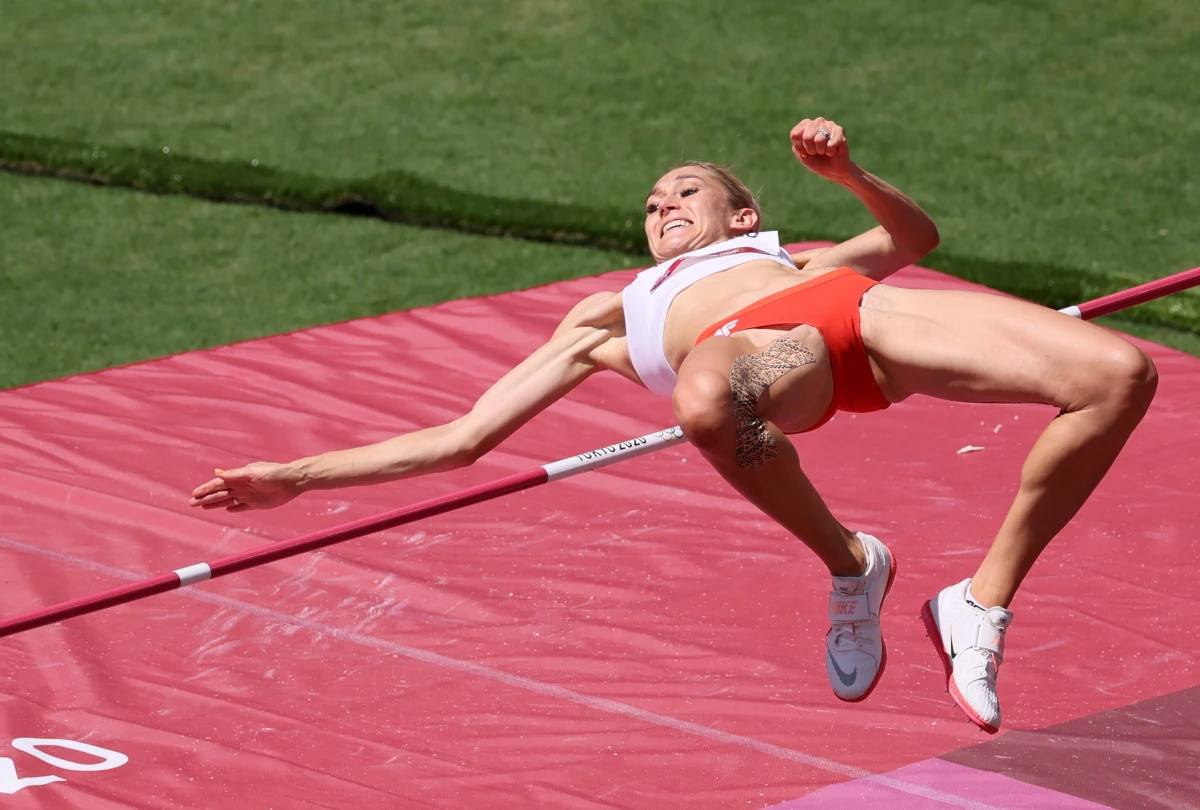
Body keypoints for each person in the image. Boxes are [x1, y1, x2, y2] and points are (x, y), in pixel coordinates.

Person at [190, 117, 1157, 733]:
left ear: (744, 217)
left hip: (856, 316)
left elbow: (914, 241)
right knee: (703, 399)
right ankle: (851, 564)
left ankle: (978, 605)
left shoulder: (800, 253)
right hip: (766, 361)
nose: (661, 206)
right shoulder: (614, 316)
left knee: (1119, 373)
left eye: (684, 191)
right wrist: (301, 476)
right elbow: (463, 439)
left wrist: (851, 173)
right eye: (651, 203)